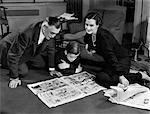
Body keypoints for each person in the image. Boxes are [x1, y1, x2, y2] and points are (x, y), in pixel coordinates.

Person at [64, 11, 150, 88]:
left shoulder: (104, 36)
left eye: (91, 25)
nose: (88, 28)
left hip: (120, 59)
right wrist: (90, 47)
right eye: (86, 25)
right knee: (100, 77)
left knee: (111, 80)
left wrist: (121, 76)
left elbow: (111, 56)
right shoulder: (88, 34)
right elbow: (88, 42)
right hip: (109, 61)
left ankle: (140, 75)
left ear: (98, 25)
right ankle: (128, 73)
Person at [0, 16, 63, 88]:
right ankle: (6, 64)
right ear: (44, 27)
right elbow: (13, 54)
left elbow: (51, 50)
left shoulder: (49, 32)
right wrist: (14, 78)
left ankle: (23, 62)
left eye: (56, 34)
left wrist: (52, 69)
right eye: (52, 33)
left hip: (27, 50)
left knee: (41, 65)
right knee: (23, 72)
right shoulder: (26, 34)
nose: (53, 36)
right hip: (8, 49)